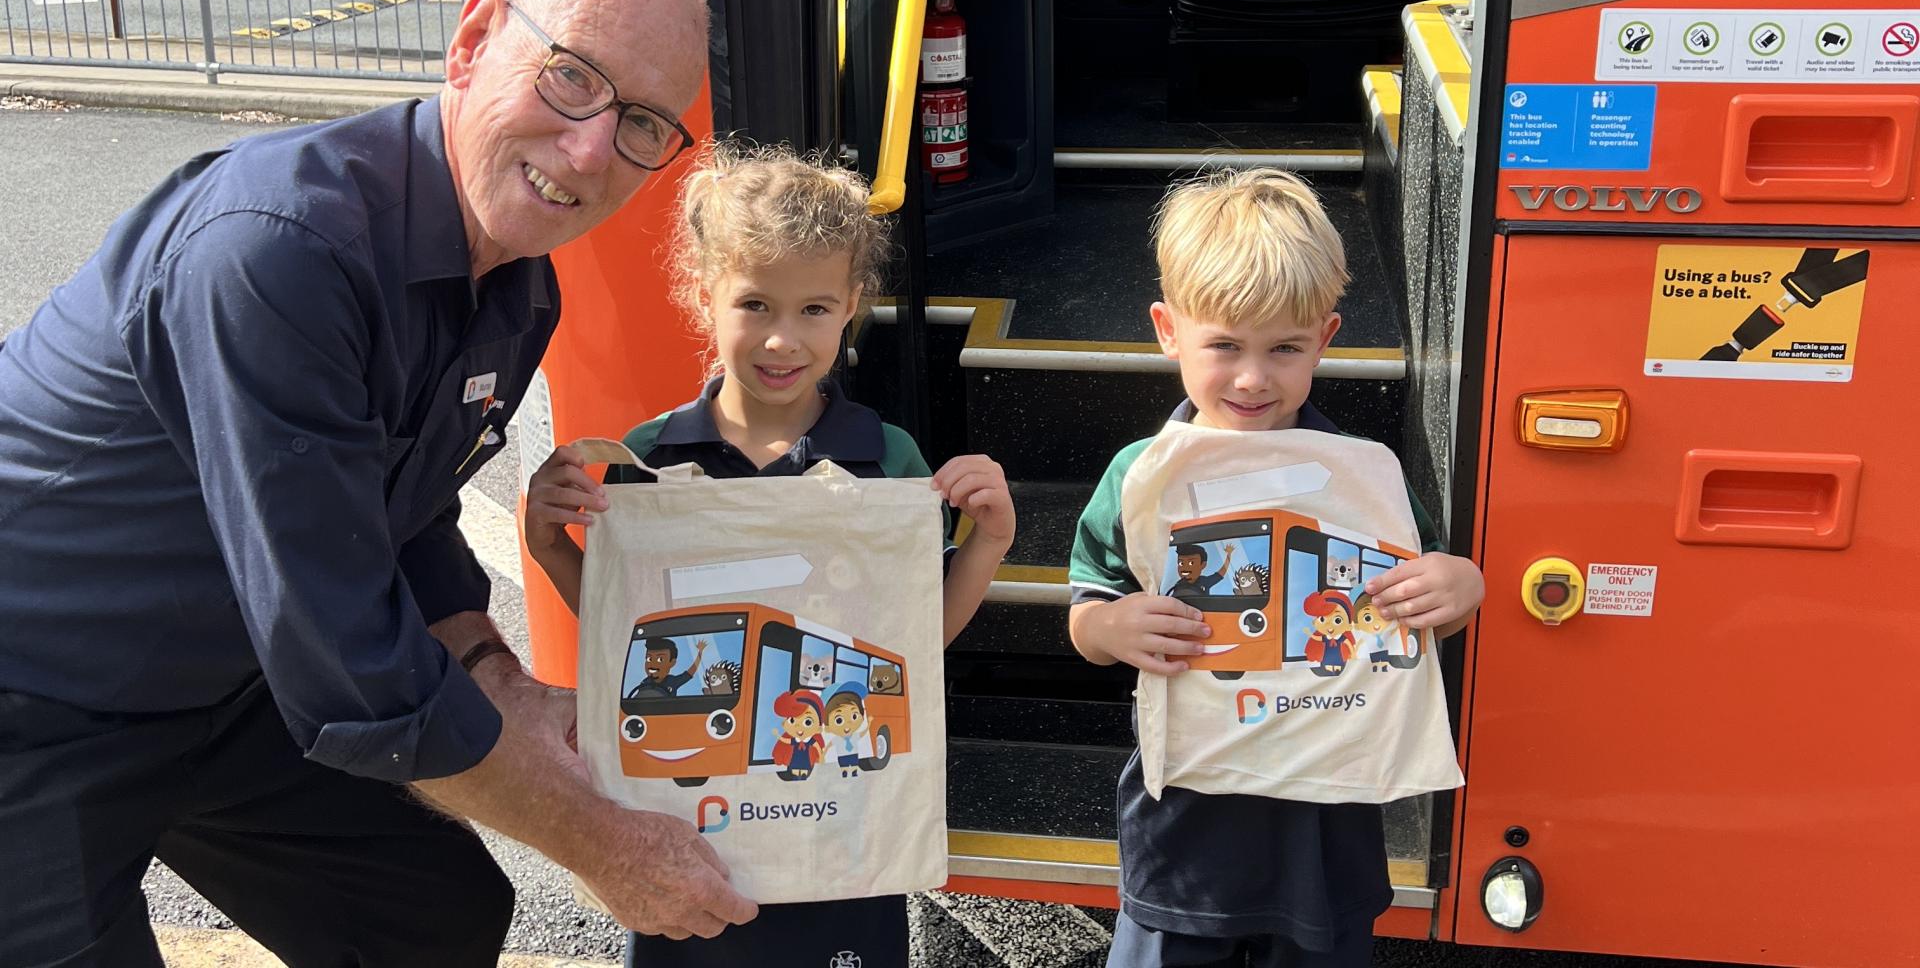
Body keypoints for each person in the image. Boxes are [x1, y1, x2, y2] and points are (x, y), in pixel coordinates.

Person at [0, 0, 758, 968]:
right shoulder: (278, 251)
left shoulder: (515, 273)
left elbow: (409, 509)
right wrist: (610, 846)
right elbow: (353, 668)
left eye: (641, 124)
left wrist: (502, 679)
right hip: (34, 692)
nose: (591, 150)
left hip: (221, 676)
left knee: (428, 913)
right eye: (572, 77)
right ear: (475, 36)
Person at [523, 144, 1015, 968]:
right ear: (703, 296)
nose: (783, 339)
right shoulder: (647, 459)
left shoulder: (886, 457)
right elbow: (634, 635)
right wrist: (545, 544)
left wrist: (988, 543)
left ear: (854, 304)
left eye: (816, 309)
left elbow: (909, 641)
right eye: (755, 303)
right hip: (687, 855)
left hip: (843, 846)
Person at [1065, 168, 1485, 968]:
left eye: (1284, 349)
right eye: (1224, 345)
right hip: (1187, 828)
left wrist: (1461, 585)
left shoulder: (1363, 475)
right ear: (1168, 330)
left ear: (1325, 339)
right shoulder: (1141, 474)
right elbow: (1087, 608)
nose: (1254, 377)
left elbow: (1418, 603)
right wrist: (1110, 625)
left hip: (1324, 827)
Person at [627, 637, 709, 699]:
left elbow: (690, 672)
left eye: (660, 659)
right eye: (649, 659)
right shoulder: (644, 682)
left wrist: (700, 653)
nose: (653, 664)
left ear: (672, 662)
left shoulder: (672, 681)